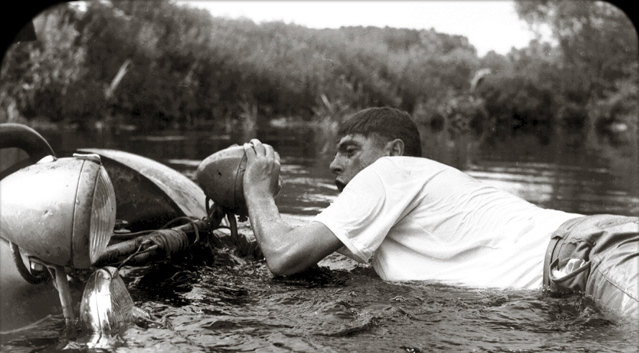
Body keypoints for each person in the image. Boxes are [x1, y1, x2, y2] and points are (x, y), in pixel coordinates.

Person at [241, 107, 639, 318]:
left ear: (394, 151)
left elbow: (284, 255)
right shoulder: (396, 210)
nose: (333, 164)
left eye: (350, 150)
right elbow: (296, 238)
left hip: (590, 255)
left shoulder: (388, 172)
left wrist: (257, 191)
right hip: (584, 260)